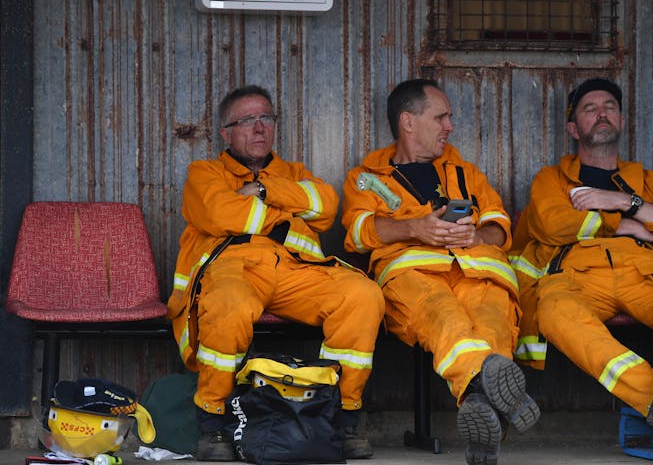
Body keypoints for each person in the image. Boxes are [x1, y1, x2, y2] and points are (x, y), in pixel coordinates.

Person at [167, 85, 385, 461]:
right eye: (247, 120)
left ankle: (343, 416)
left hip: (294, 269)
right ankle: (213, 421)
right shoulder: (205, 172)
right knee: (228, 304)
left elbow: (326, 206)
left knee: (362, 295)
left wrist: (263, 190)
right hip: (233, 265)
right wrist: (287, 209)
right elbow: (221, 214)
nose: (259, 128)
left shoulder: (292, 172)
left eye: (266, 118)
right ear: (226, 133)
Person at [341, 78, 540, 465]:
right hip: (414, 277)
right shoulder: (367, 177)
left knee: (493, 327)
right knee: (447, 320)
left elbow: (501, 227)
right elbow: (358, 233)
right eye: (441, 117)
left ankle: (480, 402)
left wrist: (475, 235)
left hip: (480, 273)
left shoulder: (466, 172)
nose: (450, 126)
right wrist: (415, 227)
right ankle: (494, 398)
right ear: (408, 122)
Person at [511, 77, 653, 433]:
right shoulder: (553, 179)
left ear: (621, 120)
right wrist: (625, 223)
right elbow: (553, 224)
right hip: (577, 276)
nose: (602, 113)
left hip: (647, 274)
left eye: (610, 106)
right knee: (555, 312)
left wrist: (626, 201)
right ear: (573, 128)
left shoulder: (649, 181)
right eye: (589, 109)